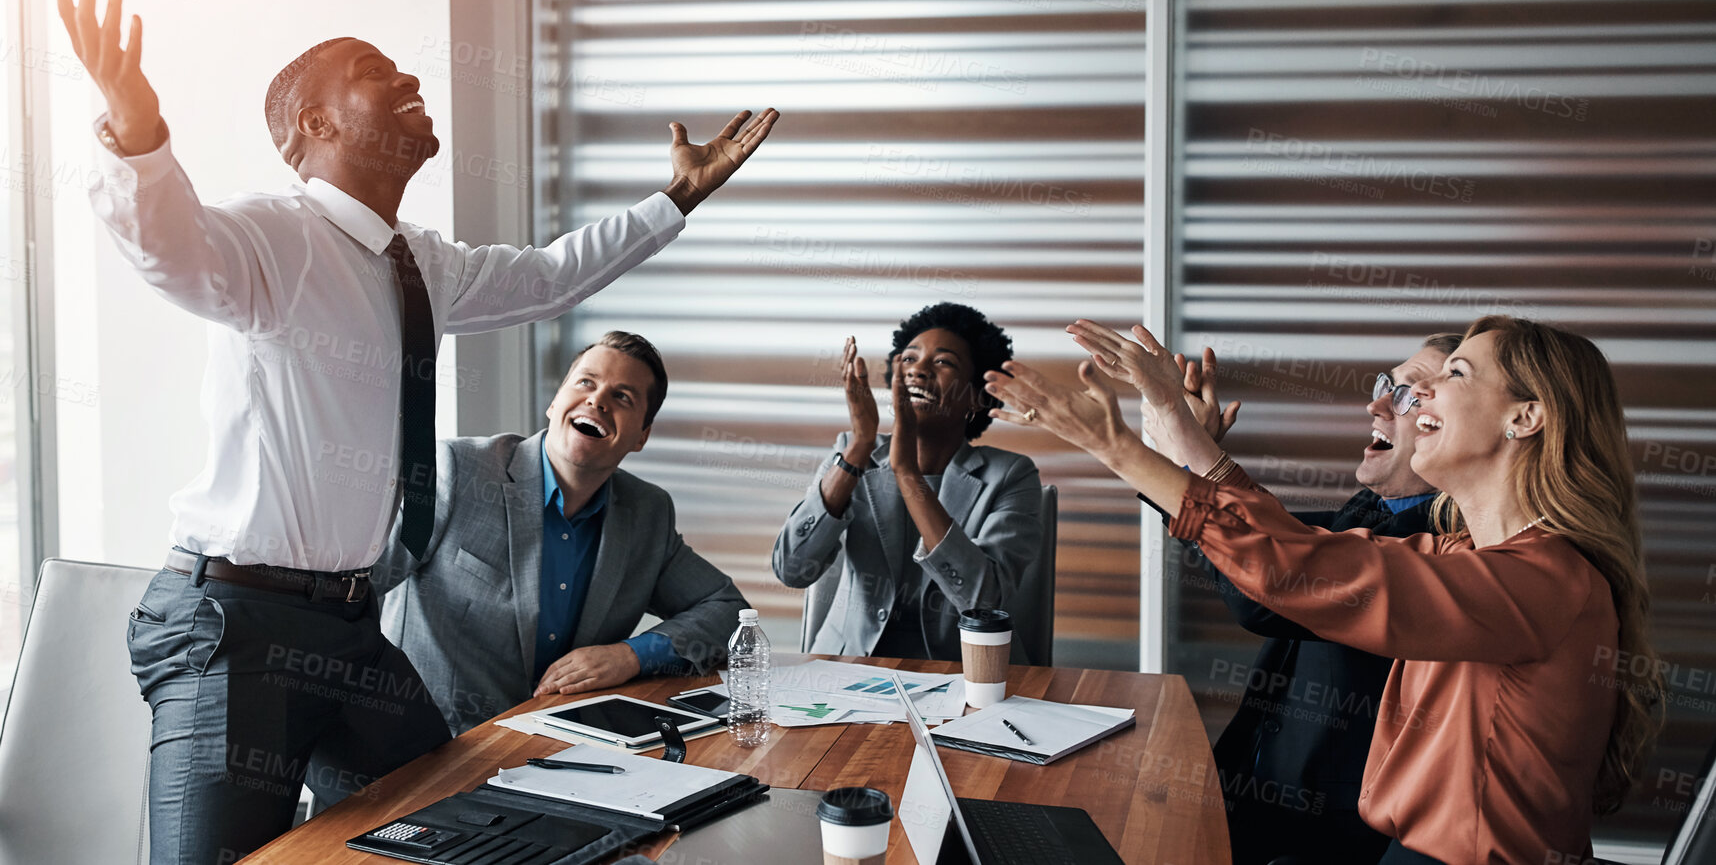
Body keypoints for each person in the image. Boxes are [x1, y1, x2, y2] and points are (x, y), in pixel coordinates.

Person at [51, 0, 777, 865]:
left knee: (458, 821)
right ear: (314, 126)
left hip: (348, 628)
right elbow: (169, 246)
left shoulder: (417, 264)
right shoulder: (274, 235)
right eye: (373, 72)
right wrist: (136, 126)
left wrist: (674, 201)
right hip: (237, 623)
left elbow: (548, 277)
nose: (408, 81)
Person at [986, 316, 1661, 865]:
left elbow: (1293, 568)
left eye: (1455, 374)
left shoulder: (1543, 579)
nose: (1416, 396)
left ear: (1526, 418)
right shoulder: (1469, 554)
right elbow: (1302, 551)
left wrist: (1118, 446)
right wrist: (1171, 428)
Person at [1098, 332, 1461, 865]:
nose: (1376, 404)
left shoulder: (1435, 546)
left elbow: (1265, 589)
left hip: (1327, 839)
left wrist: (1178, 444)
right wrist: (1182, 458)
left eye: (1408, 394)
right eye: (1388, 384)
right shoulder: (1367, 510)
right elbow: (1246, 546)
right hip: (1258, 801)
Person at [372, 331, 748, 735]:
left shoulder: (647, 514)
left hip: (560, 753)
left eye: (623, 397)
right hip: (421, 752)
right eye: (586, 382)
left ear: (642, 436)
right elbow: (353, 589)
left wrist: (630, 656)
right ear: (555, 403)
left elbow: (728, 610)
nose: (598, 400)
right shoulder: (455, 469)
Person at [772, 302, 1042, 662]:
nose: (919, 371)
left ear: (977, 397)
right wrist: (860, 446)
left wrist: (907, 473)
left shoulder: (1011, 475)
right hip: (849, 672)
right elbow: (791, 569)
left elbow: (981, 601)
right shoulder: (854, 453)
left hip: (963, 676)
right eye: (909, 359)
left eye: (944, 362)